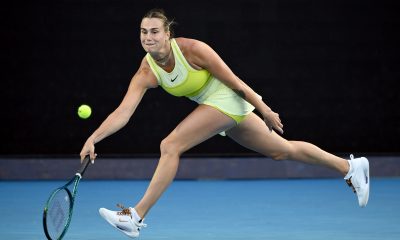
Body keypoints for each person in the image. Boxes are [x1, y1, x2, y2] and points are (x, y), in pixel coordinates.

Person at [79, 8, 370, 239]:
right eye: (144, 32)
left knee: (170, 144)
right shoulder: (146, 70)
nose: (148, 37)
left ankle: (136, 216)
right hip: (215, 109)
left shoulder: (193, 50)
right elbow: (123, 112)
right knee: (282, 151)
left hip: (229, 99)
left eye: (155, 31)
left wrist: (264, 109)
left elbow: (236, 83)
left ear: (167, 33)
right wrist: (94, 138)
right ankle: (349, 167)